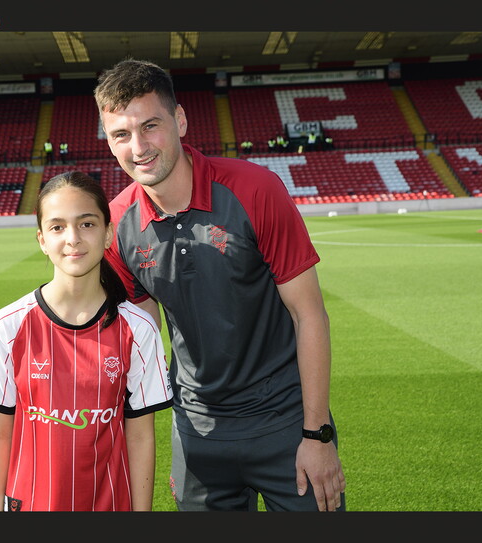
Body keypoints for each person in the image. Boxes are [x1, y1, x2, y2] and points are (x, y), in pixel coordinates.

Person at [95, 59, 345, 512]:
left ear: (181, 120)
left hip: (285, 424)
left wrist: (317, 434)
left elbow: (309, 314)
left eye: (150, 126)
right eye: (121, 135)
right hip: (198, 435)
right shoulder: (117, 225)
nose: (138, 147)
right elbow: (145, 342)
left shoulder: (255, 190)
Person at [0, 171, 174, 511]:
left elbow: (140, 436)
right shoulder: (9, 325)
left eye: (87, 224)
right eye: (57, 227)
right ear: (42, 240)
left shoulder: (138, 329)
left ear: (108, 233)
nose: (72, 238)